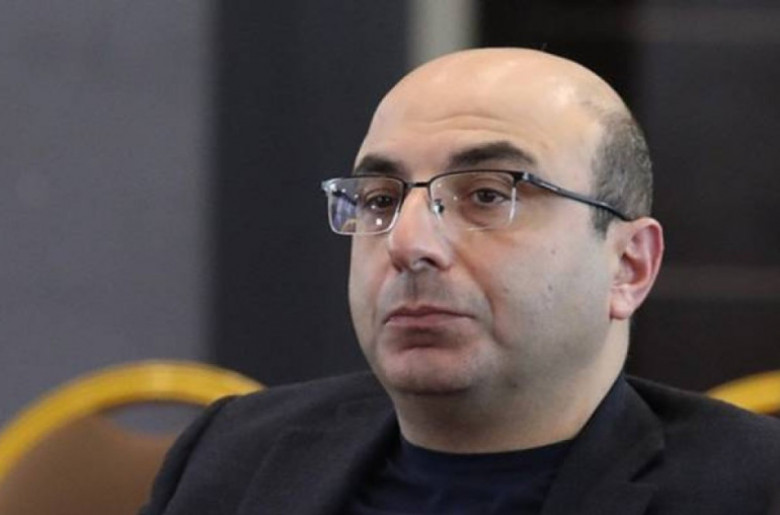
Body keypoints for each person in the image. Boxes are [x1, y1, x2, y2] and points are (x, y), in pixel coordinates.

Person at [142, 48, 780, 515]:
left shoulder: (751, 488)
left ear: (628, 266)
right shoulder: (235, 455)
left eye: (487, 194)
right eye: (379, 200)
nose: (408, 244)